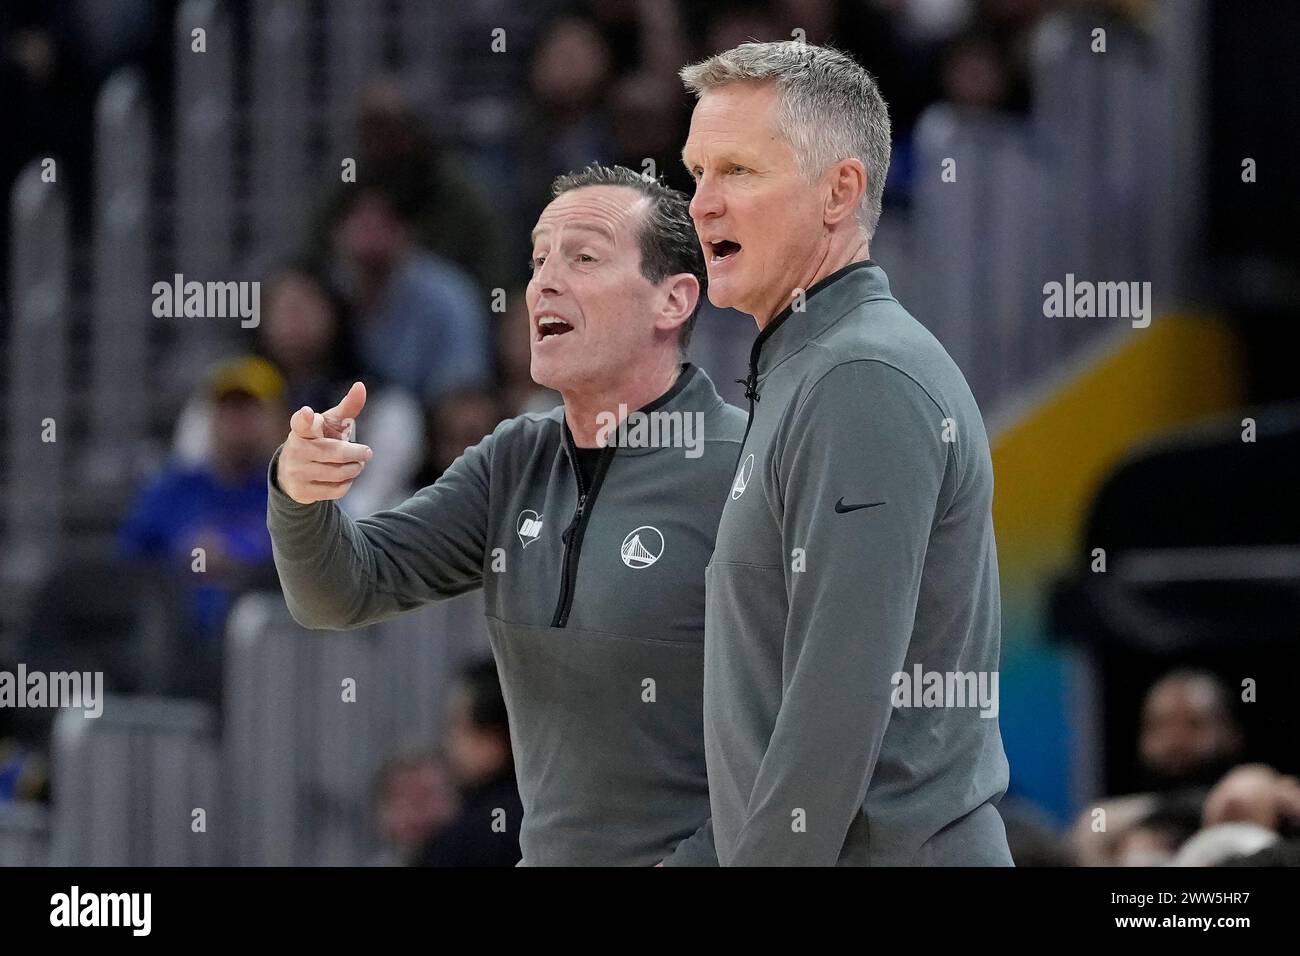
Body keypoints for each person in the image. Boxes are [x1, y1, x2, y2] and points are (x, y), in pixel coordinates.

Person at [266, 164, 746, 865]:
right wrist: (299, 493)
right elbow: (340, 591)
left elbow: (812, 741)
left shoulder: (748, 469)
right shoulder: (514, 459)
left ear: (671, 301)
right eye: (538, 259)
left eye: (582, 257)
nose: (545, 281)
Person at [679, 40, 1012, 865]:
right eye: (695, 173)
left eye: (737, 172)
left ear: (841, 191)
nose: (699, 205)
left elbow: (837, 700)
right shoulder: (807, 365)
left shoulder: (858, 377)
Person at [119, 355, 286, 641]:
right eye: (228, 410)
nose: (237, 423)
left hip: (263, 647)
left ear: (277, 420)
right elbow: (125, 562)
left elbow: (318, 563)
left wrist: (238, 557)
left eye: (249, 410)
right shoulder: (173, 489)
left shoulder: (292, 495)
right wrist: (180, 558)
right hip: (171, 641)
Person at [416, 660, 523, 867]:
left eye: (456, 725)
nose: (447, 743)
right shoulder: (554, 818)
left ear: (493, 737)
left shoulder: (468, 841)